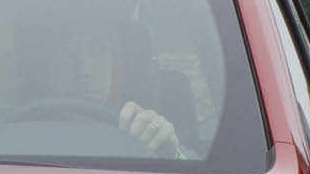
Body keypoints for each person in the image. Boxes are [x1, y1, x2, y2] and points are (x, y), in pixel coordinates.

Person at [20, 19, 191, 158]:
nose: (84, 69)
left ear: (116, 66)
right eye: (66, 50)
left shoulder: (140, 133)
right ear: (45, 67)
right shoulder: (13, 139)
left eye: (98, 50)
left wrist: (171, 154)